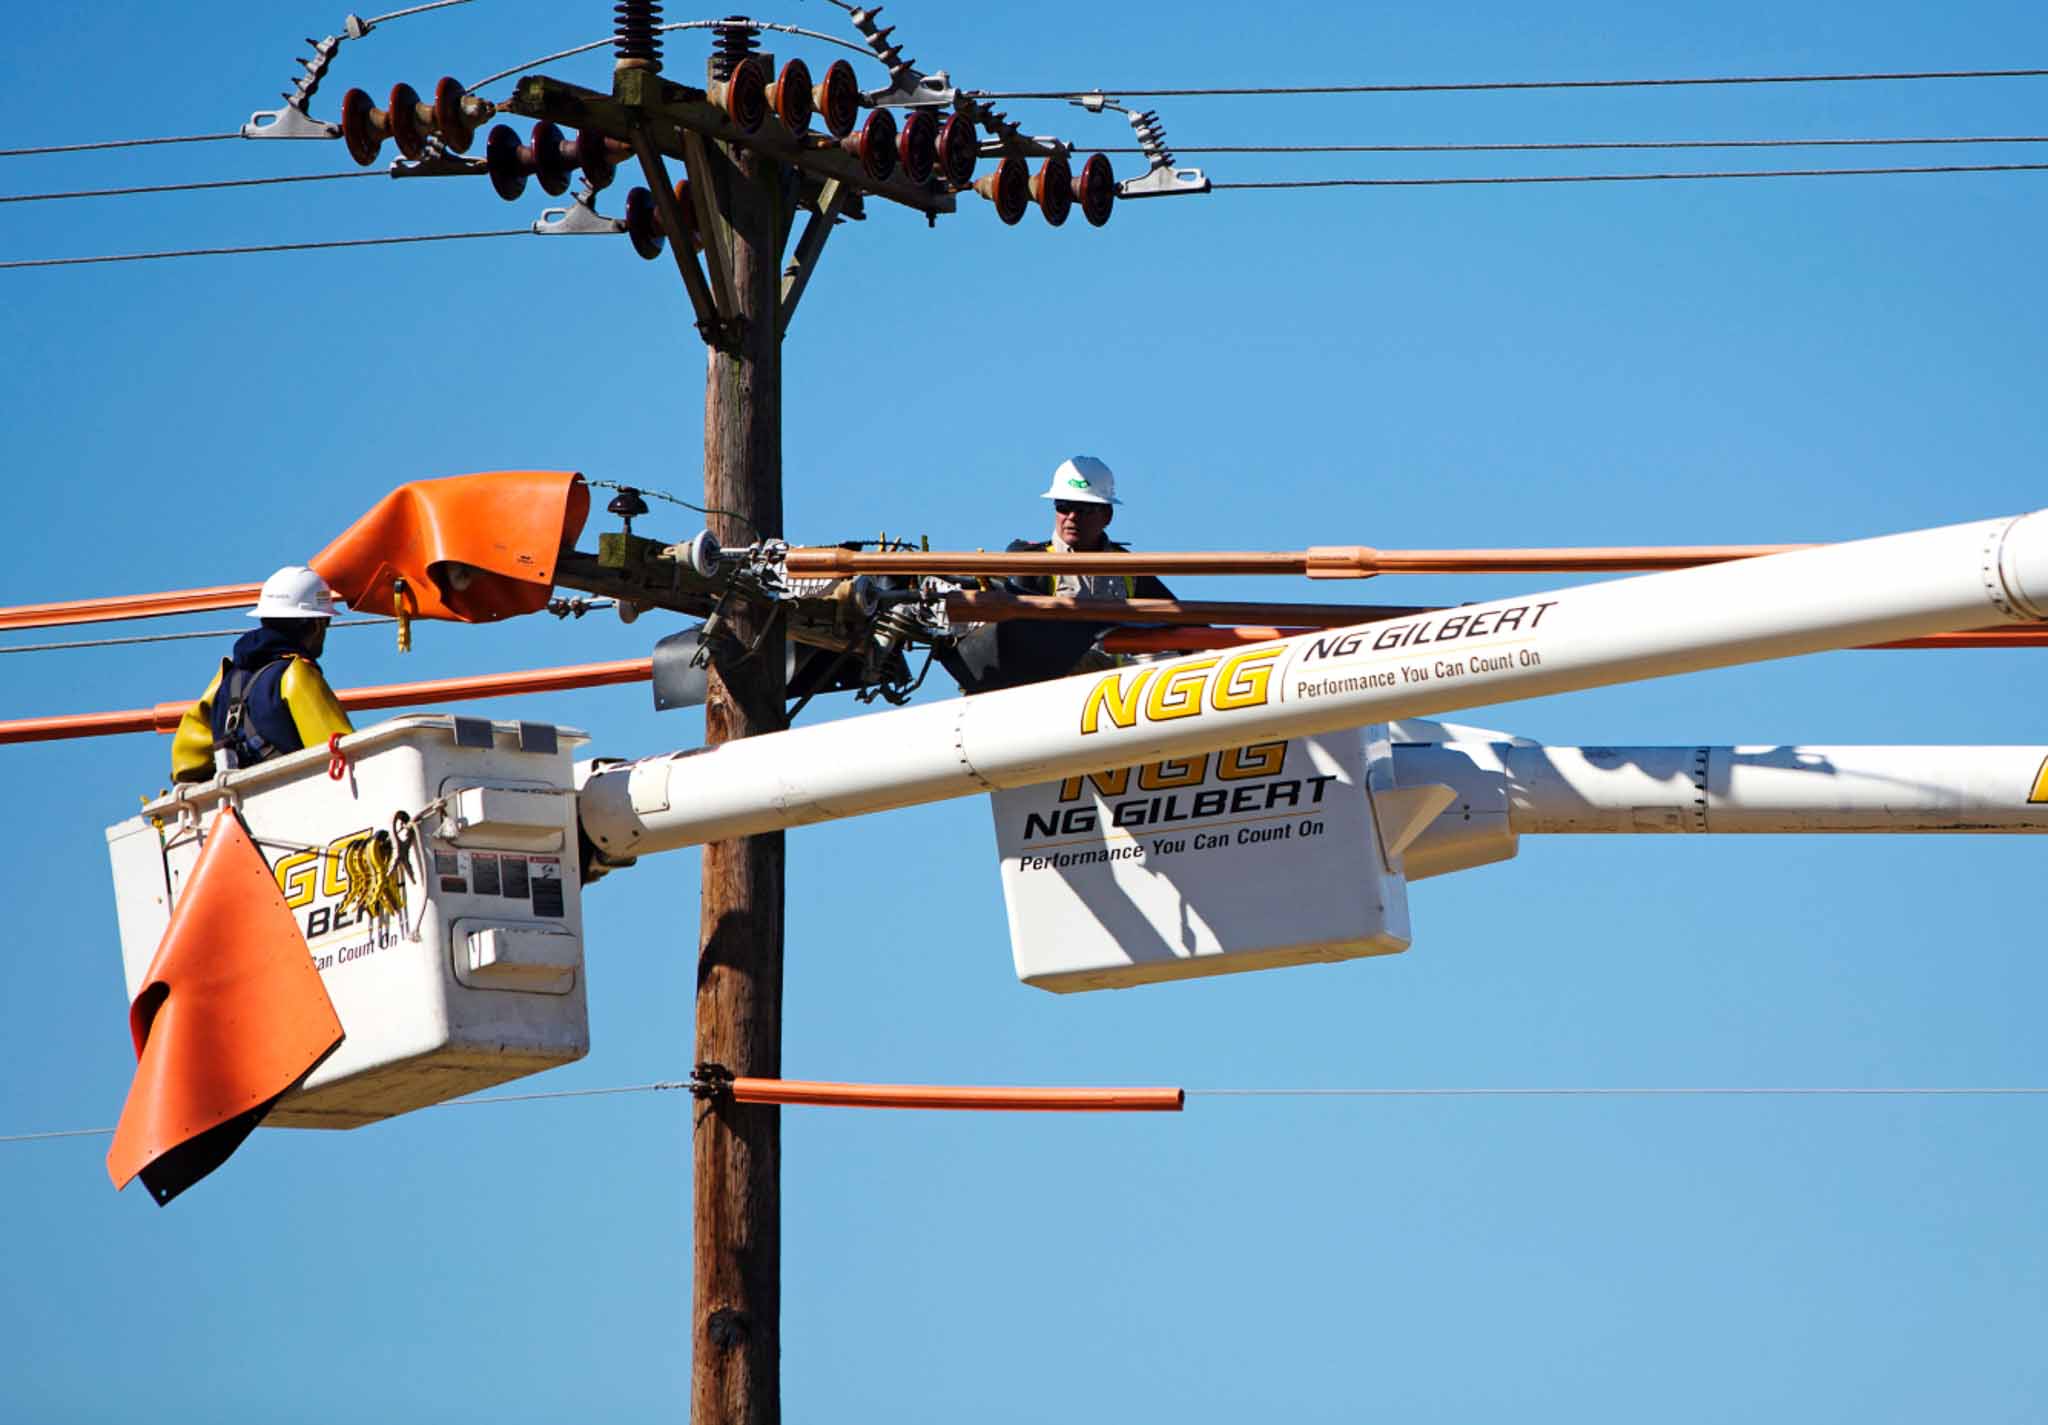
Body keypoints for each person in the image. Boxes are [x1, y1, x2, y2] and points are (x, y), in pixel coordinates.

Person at [940, 456, 1176, 692]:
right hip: (1051, 687)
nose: (1072, 516)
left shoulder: (1128, 568)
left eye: (1083, 509)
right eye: (1064, 506)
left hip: (1113, 690)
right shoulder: (1032, 562)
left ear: (1107, 515)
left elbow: (1180, 618)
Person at [171, 565, 355, 783]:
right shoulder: (297, 674)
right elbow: (341, 752)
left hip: (238, 808)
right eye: (326, 621)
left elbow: (186, 765)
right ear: (315, 623)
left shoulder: (225, 680)